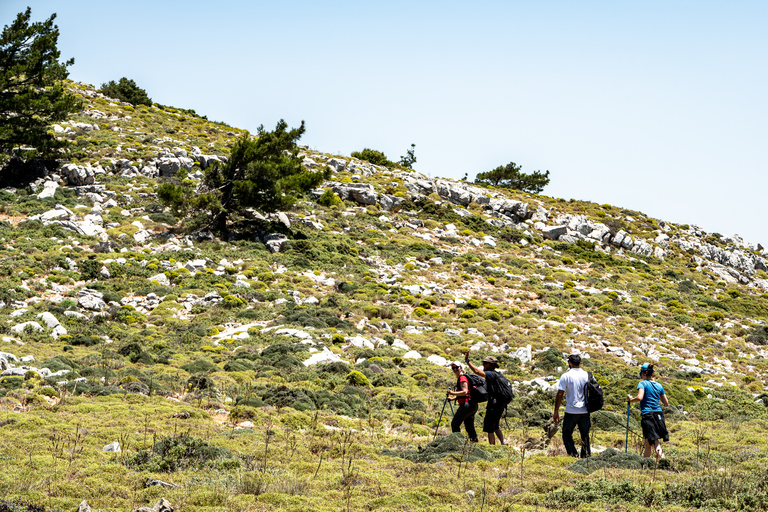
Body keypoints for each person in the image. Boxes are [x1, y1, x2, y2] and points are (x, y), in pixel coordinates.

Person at [627, 363, 669, 459]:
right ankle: (646, 464)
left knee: (654, 441)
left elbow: (640, 397)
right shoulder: (659, 385)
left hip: (648, 415)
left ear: (643, 374)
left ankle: (663, 462)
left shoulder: (642, 383)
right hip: (659, 415)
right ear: (652, 374)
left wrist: (631, 399)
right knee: (648, 442)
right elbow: (666, 402)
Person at [552, 353, 591, 458]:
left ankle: (573, 454)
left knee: (567, 434)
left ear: (569, 363)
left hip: (571, 411)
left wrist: (556, 411)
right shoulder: (587, 375)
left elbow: (560, 394)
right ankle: (586, 457)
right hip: (585, 410)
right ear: (579, 363)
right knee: (585, 436)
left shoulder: (566, 376)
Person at [464, 351, 506, 445]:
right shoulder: (498, 374)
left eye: (485, 363)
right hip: (501, 404)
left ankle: (492, 448)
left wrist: (467, 361)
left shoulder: (490, 374)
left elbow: (477, 371)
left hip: (493, 405)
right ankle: (503, 443)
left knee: (489, 428)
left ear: (491, 365)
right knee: (496, 426)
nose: (483, 365)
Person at [446, 361, 479, 442]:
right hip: (472, 405)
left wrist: (452, 393)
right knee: (469, 426)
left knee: (455, 424)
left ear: (461, 368)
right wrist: (453, 398)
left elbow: (465, 392)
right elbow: (465, 393)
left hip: (467, 405)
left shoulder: (462, 378)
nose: (455, 369)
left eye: (456, 367)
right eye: (453, 368)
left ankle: (458, 444)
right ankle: (474, 444)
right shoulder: (462, 377)